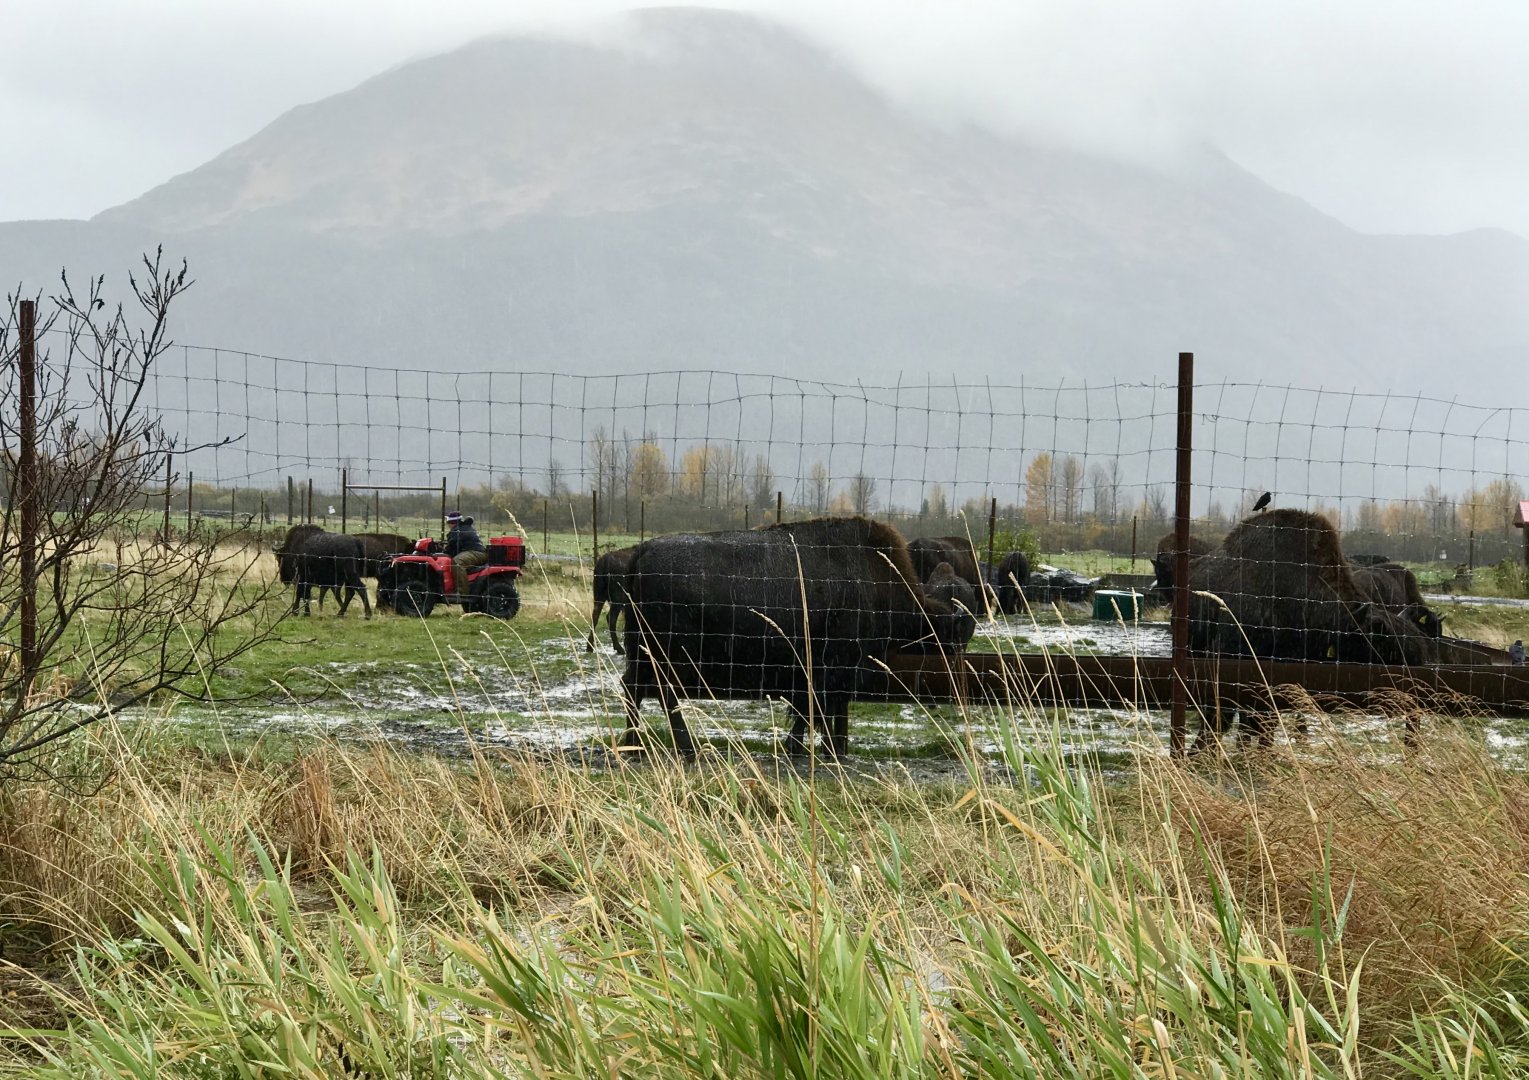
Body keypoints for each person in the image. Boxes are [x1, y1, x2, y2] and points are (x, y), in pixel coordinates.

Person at [442, 510, 486, 594]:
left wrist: (442, 551)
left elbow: (451, 547)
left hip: (476, 552)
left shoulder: (457, 531)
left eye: (447, 521)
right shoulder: (462, 528)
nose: (447, 524)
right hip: (474, 551)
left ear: (451, 522)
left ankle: (462, 592)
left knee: (457, 562)